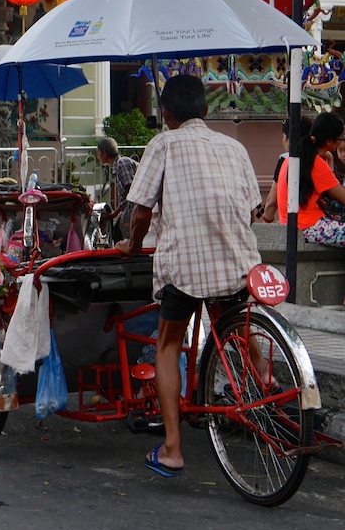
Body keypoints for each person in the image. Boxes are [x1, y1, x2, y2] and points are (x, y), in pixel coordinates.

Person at [116, 74, 262, 479]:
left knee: (168, 344)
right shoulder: (234, 146)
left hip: (186, 266)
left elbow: (141, 211)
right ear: (205, 109)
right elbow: (251, 208)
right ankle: (264, 382)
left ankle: (172, 448)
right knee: (233, 322)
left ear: (165, 114)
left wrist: (132, 244)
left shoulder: (163, 143)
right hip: (237, 263)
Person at [276, 112, 345, 246]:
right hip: (308, 225)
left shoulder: (294, 157)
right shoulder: (316, 164)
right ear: (329, 142)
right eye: (341, 138)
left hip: (294, 223)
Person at [95, 136, 137, 240]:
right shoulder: (118, 165)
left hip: (135, 209)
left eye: (98, 153)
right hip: (131, 208)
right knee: (117, 233)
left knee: (119, 236)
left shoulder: (121, 163)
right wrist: (114, 214)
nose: (98, 156)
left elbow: (131, 190)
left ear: (104, 153)